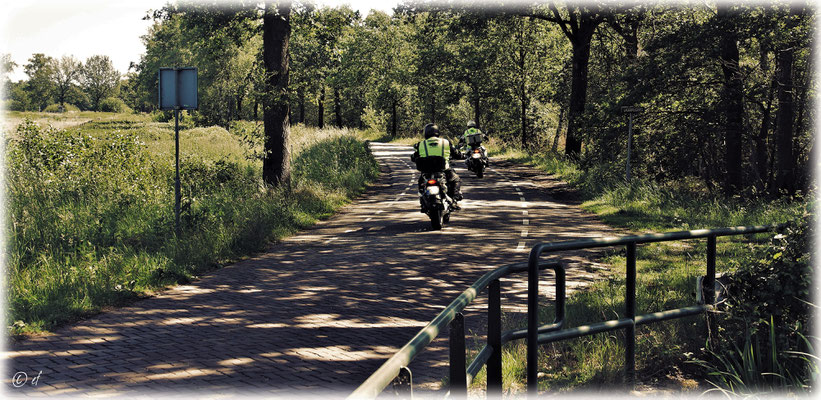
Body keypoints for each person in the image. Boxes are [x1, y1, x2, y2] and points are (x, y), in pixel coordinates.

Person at [411, 123, 463, 209]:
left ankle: (422, 201)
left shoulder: (421, 144)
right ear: (437, 132)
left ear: (426, 133)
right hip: (443, 170)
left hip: (426, 172)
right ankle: (454, 201)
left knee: (421, 183)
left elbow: (414, 157)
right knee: (455, 180)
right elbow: (456, 153)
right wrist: (461, 156)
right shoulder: (446, 142)